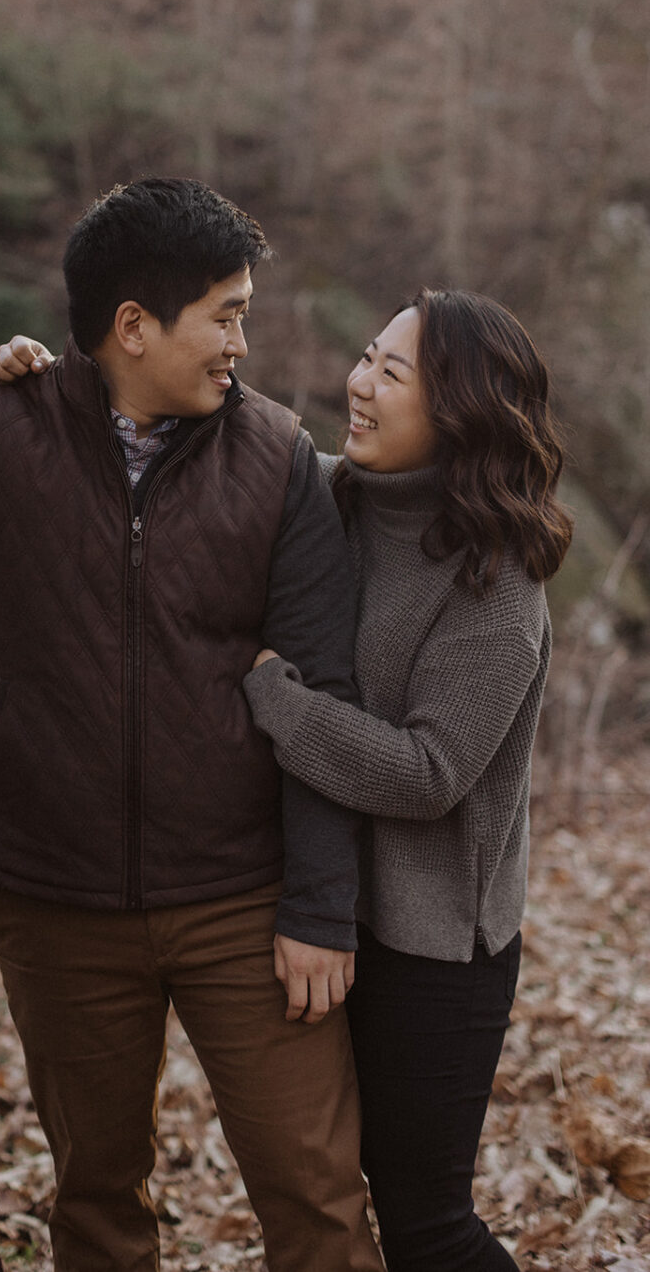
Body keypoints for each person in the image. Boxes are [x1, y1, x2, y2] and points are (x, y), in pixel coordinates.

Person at [0, 157, 384, 1272]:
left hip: (245, 904)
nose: (241, 344)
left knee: (319, 1201)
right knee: (96, 1204)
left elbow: (323, 692)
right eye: (224, 316)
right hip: (55, 905)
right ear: (133, 326)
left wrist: (321, 907)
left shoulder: (279, 459)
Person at [240, 291, 573, 1271]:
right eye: (365, 356)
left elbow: (430, 774)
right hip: (325, 915)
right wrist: (44, 378)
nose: (358, 383)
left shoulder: (497, 580)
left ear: (460, 411)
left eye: (392, 373)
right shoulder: (329, 496)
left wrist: (276, 700)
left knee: (427, 1227)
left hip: (437, 952)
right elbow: (212, 439)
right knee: (327, 1198)